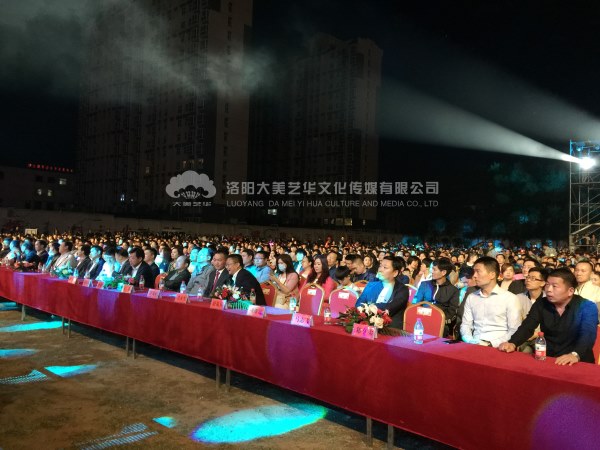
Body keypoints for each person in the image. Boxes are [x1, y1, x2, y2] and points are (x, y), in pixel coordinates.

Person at [499, 268, 599, 365]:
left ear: (570, 291)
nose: (549, 290)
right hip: (549, 359)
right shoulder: (541, 303)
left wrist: (575, 355)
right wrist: (513, 343)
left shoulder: (586, 306)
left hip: (577, 361)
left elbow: (587, 335)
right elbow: (527, 326)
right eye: (547, 285)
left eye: (554, 286)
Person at [460, 256, 522, 348]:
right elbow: (466, 324)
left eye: (478, 271)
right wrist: (469, 340)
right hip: (474, 345)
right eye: (474, 272)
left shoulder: (510, 298)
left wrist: (491, 344)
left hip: (499, 347)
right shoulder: (471, 297)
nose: (474, 276)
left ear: (492, 275)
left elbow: (514, 330)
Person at [355, 256, 410, 329]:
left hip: (389, 329)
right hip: (366, 325)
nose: (380, 270)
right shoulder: (371, 285)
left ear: (395, 273)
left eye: (385, 267)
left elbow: (391, 307)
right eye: (380, 266)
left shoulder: (402, 289)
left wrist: (369, 308)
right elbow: (359, 303)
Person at [412, 257, 460, 335]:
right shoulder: (425, 285)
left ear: (443, 272)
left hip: (440, 323)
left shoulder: (453, 290)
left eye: (434, 270)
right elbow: (417, 303)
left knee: (442, 329)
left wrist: (437, 318)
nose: (431, 272)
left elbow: (451, 311)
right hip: (422, 319)